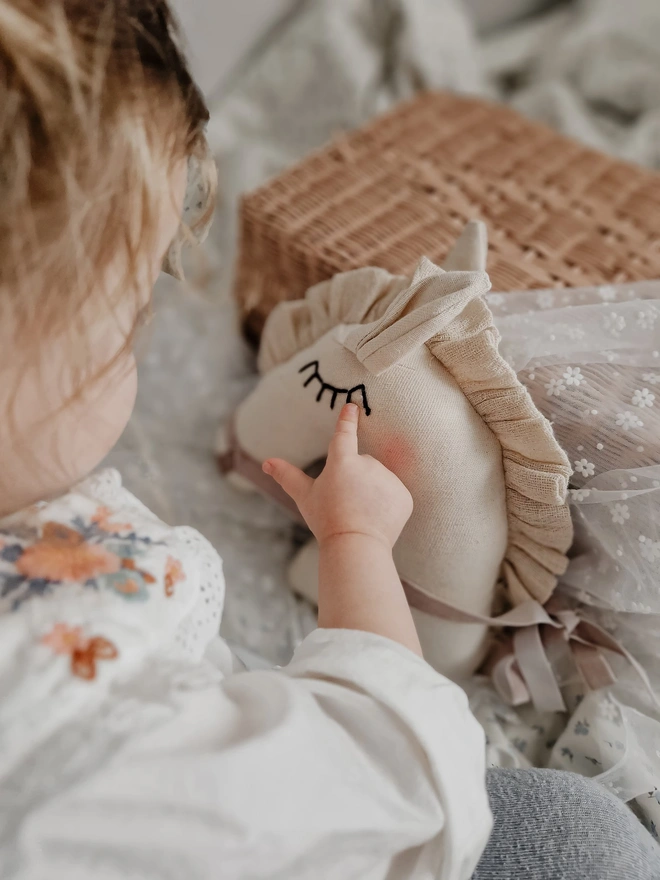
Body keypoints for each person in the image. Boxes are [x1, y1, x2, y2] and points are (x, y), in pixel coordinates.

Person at [0, 3, 658, 879]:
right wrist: (356, 546)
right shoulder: (79, 741)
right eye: (123, 331)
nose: (141, 351)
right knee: (588, 838)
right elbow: (390, 767)